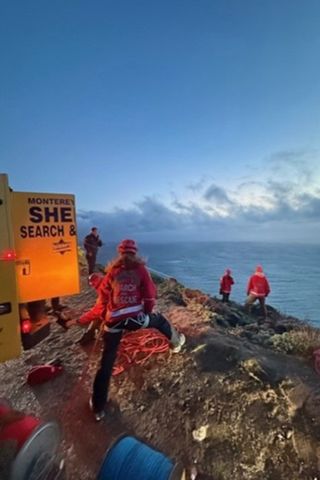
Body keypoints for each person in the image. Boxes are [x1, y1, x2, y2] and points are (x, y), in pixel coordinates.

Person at [90, 239, 186, 421]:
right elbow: (150, 296)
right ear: (135, 253)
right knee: (159, 321)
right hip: (135, 319)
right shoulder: (141, 270)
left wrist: (104, 317)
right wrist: (147, 314)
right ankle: (176, 343)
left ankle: (98, 408)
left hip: (113, 322)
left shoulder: (112, 272)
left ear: (120, 253)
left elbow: (103, 298)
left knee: (107, 362)